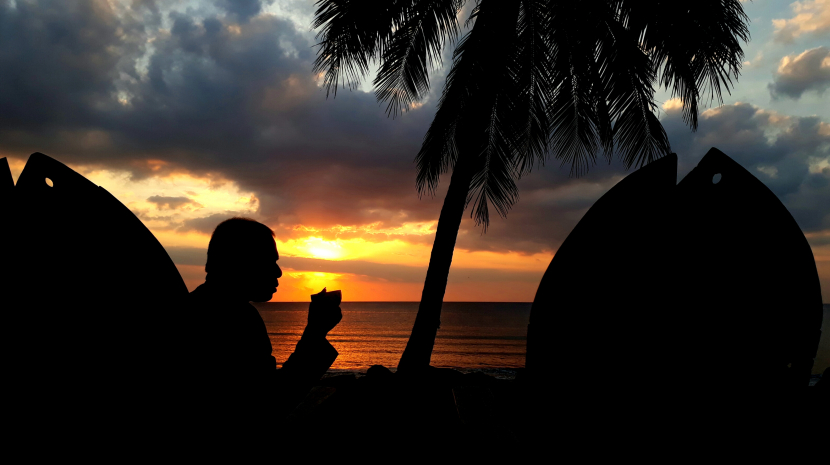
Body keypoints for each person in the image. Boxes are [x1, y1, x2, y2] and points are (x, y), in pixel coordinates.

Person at [184, 217, 342, 443]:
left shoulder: (222, 310)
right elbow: (268, 406)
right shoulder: (228, 319)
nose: (278, 273)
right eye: (269, 261)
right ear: (239, 261)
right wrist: (315, 333)